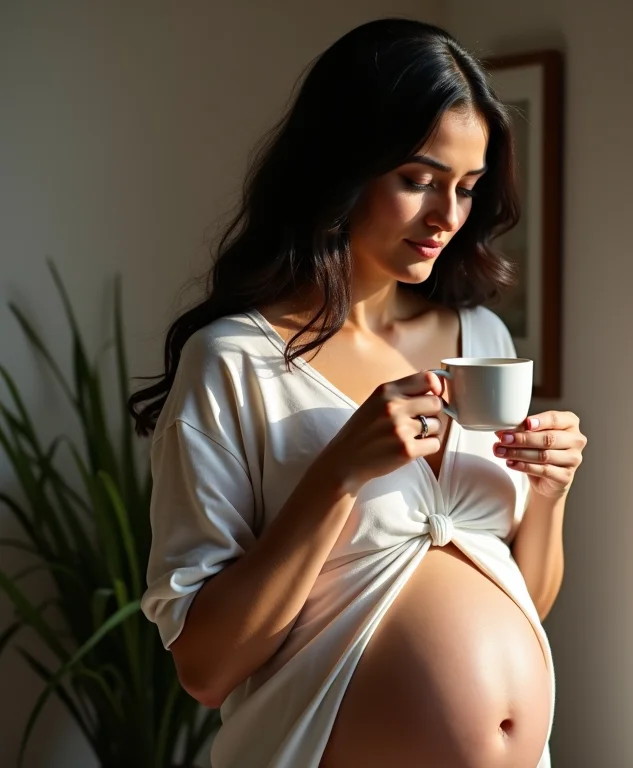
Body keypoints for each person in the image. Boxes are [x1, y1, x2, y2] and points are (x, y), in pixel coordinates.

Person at [129, 17, 586, 768]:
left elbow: (523, 601)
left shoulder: (482, 340)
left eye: (466, 189)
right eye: (418, 180)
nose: (447, 217)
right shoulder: (235, 362)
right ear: (342, 166)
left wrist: (549, 494)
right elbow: (206, 669)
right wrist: (339, 473)